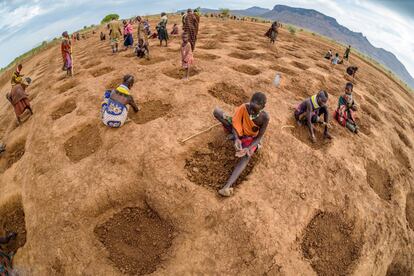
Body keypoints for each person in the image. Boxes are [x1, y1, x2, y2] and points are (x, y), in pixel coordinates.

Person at [213, 92, 270, 197]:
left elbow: (259, 137)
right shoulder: (244, 108)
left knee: (246, 155)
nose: (252, 111)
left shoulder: (265, 118)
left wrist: (248, 148)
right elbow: (236, 123)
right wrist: (236, 139)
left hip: (250, 138)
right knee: (217, 112)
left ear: (263, 107)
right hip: (238, 132)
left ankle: (226, 186)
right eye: (251, 107)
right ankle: (234, 137)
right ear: (250, 102)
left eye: (255, 110)